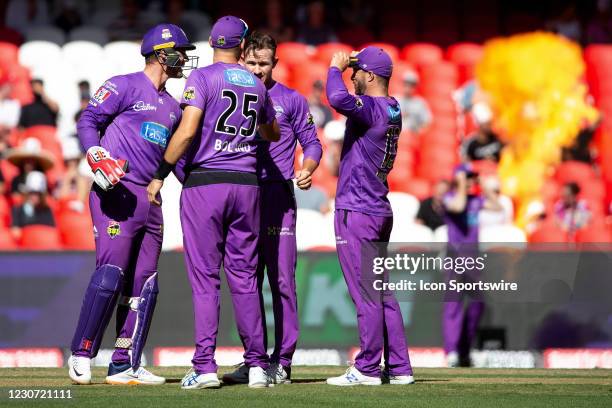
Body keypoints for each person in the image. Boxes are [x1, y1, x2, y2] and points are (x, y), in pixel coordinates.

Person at [146, 16, 280, 390]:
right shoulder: (256, 81)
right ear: (243, 45)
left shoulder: (202, 77)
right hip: (247, 185)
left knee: (205, 279)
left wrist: (160, 172)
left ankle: (204, 366)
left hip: (206, 183)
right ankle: (257, 365)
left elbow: (188, 130)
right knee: (246, 279)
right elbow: (273, 131)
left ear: (211, 41)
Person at [68, 23, 197, 386]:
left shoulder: (174, 107)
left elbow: (178, 164)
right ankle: (81, 353)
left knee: (145, 283)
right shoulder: (123, 85)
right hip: (116, 194)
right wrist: (96, 155)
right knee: (111, 276)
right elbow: (88, 121)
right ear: (161, 53)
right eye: (180, 51)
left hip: (151, 200)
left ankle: (125, 362)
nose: (185, 58)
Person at [222, 31, 322, 385]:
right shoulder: (228, 98)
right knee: (245, 281)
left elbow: (312, 144)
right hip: (241, 195)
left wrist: (307, 169)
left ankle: (283, 361)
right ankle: (255, 360)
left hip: (278, 196)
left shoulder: (292, 100)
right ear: (241, 61)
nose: (257, 69)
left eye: (263, 63)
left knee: (281, 281)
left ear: (274, 64)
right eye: (250, 62)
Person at [324, 47, 414, 386]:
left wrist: (335, 67)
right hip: (377, 207)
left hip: (358, 209)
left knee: (366, 295)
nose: (353, 77)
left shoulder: (374, 108)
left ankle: (367, 368)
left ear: (371, 76)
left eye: (356, 72)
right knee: (381, 292)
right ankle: (400, 368)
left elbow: (336, 97)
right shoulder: (392, 108)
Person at [441, 164, 502, 367]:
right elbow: (457, 207)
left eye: (471, 177)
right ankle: (451, 352)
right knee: (454, 304)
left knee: (478, 302)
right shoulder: (449, 197)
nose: (470, 180)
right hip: (455, 259)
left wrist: (483, 185)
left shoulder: (477, 200)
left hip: (473, 260)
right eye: (466, 176)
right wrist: (460, 183)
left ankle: (464, 350)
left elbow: (498, 207)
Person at [5, 137, 54, 204]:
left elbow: (47, 200)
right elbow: (14, 200)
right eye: (27, 161)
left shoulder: (43, 179)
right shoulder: (16, 180)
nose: (29, 164)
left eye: (32, 161)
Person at [10, 171, 54, 241]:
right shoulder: (17, 210)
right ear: (27, 193)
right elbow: (15, 232)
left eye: (37, 194)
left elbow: (51, 234)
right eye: (31, 193)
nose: (34, 196)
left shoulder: (47, 211)